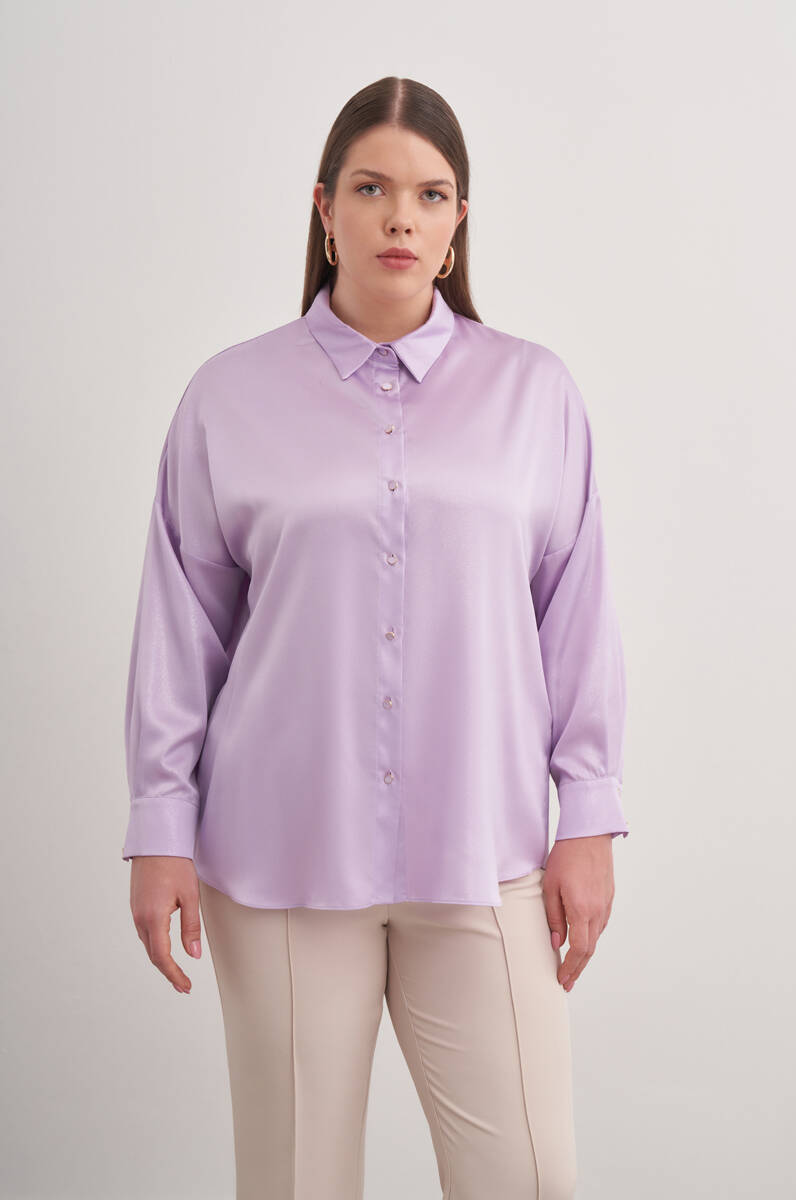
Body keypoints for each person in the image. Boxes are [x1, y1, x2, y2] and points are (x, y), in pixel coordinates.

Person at [122, 75, 630, 1200]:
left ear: (457, 224)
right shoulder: (227, 397)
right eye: (370, 188)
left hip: (485, 850)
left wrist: (588, 815)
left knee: (530, 1178)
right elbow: (182, 622)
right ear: (324, 209)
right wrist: (159, 824)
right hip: (281, 855)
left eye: (430, 194)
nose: (401, 216)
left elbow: (576, 611)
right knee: (294, 1182)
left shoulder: (535, 394)